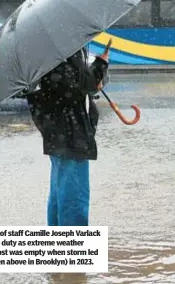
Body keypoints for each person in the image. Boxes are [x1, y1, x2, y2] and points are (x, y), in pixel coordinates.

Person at [26, 46, 109, 226]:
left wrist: (95, 74)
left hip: (61, 135)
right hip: (70, 135)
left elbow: (73, 85)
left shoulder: (48, 51)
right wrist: (99, 68)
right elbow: (73, 88)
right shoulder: (58, 53)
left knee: (60, 194)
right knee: (73, 200)